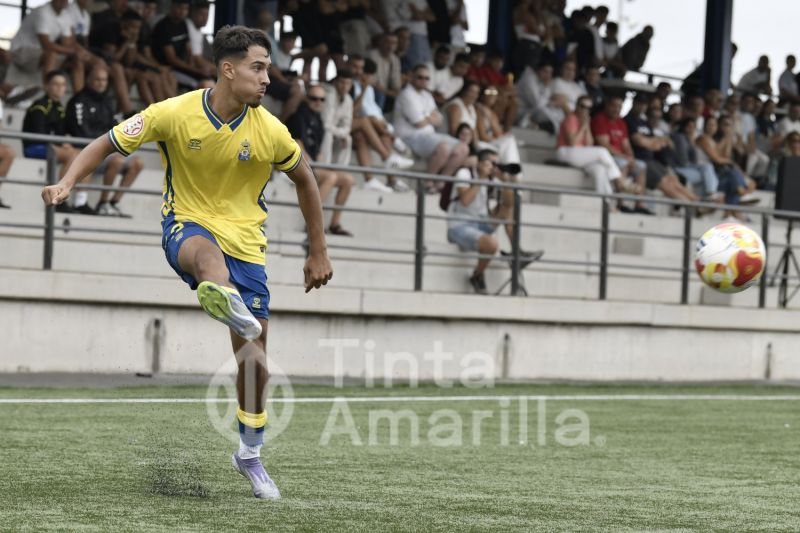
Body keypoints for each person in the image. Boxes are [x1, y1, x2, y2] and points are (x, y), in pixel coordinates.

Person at [40, 25, 334, 500]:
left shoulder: (271, 129)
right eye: (258, 68)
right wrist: (68, 182)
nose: (266, 79)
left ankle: (250, 454)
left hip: (248, 245)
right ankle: (220, 293)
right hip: (188, 227)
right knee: (207, 259)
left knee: (254, 359)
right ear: (228, 68)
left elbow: (306, 179)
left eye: (267, 69)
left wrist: (318, 248)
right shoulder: (173, 112)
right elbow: (105, 143)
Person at [447, 149, 542, 294]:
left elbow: (511, 203)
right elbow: (465, 201)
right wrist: (482, 179)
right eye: (491, 163)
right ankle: (477, 276)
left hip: (480, 222)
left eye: (496, 164)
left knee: (506, 210)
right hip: (459, 225)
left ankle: (517, 252)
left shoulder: (493, 177)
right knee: (492, 244)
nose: (494, 167)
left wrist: (505, 182)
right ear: (479, 164)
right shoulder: (465, 173)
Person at [65, 65, 144, 216]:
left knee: (137, 162)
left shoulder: (107, 102)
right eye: (98, 79)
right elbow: (80, 132)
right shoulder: (79, 101)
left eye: (104, 80)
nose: (101, 83)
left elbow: (115, 129)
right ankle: (102, 203)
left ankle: (113, 203)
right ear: (88, 80)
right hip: (88, 152)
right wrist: (104, 147)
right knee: (117, 160)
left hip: (107, 153)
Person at [287, 85, 355, 236]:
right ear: (306, 98)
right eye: (314, 98)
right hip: (295, 165)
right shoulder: (298, 116)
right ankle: (313, 225)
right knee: (330, 177)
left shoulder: (318, 120)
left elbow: (318, 151)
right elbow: (297, 145)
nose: (318, 102)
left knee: (348, 180)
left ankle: (334, 224)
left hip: (312, 164)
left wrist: (319, 163)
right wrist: (312, 165)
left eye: (322, 99)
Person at [393, 64, 469, 190]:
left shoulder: (427, 95)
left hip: (429, 136)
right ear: (412, 77)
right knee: (443, 148)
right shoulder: (406, 94)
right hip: (410, 136)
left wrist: (426, 118)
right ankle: (428, 182)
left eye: (427, 78)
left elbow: (439, 119)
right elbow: (418, 122)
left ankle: (441, 182)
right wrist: (430, 117)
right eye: (420, 77)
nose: (424, 81)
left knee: (463, 148)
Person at [555, 95, 634, 208]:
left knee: (600, 170)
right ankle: (620, 180)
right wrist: (583, 126)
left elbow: (589, 144)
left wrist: (586, 125)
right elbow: (572, 142)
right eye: (583, 106)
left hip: (579, 154)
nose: (585, 110)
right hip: (565, 152)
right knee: (601, 151)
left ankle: (607, 204)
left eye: (589, 108)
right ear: (577, 106)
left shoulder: (585, 120)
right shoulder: (571, 118)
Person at [23, 70, 83, 213]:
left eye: (62, 85)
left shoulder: (60, 108)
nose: (59, 88)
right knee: (71, 155)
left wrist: (64, 145)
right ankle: (59, 198)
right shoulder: (40, 105)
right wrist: (61, 146)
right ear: (47, 86)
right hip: (33, 147)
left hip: (49, 147)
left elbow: (60, 135)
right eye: (55, 84)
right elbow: (39, 135)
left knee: (77, 152)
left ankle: (77, 201)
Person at [351, 57, 415, 192]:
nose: (360, 72)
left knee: (365, 136)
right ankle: (389, 153)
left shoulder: (367, 87)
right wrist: (363, 90)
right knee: (367, 122)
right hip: (352, 122)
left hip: (364, 126)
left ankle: (390, 179)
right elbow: (354, 111)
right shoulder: (349, 83)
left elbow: (373, 108)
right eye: (356, 68)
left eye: (362, 69)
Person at [10, 0, 97, 91]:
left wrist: (81, 54)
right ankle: (49, 94)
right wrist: (73, 51)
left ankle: (79, 99)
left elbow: (68, 43)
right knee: (51, 56)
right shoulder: (42, 12)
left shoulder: (65, 15)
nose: (64, 1)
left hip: (40, 53)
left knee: (77, 60)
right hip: (21, 51)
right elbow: (46, 44)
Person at [590, 96, 649, 212]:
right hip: (606, 157)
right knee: (623, 163)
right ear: (607, 105)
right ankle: (621, 203)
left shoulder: (621, 122)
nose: (616, 109)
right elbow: (604, 145)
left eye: (619, 107)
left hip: (621, 156)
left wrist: (631, 158)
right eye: (614, 106)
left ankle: (639, 204)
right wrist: (626, 158)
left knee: (641, 166)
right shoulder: (600, 119)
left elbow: (626, 145)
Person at [152, 0, 214, 89]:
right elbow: (172, 59)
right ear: (172, 6)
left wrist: (193, 65)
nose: (182, 12)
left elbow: (188, 49)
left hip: (183, 68)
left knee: (210, 80)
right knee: (205, 85)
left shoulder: (183, 25)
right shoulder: (163, 27)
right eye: (179, 7)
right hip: (170, 69)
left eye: (185, 8)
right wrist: (195, 70)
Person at [367, 32, 403, 111]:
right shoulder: (372, 55)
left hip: (386, 92)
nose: (390, 46)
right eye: (387, 42)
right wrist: (389, 92)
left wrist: (395, 92)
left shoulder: (395, 59)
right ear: (381, 42)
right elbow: (372, 83)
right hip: (372, 90)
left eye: (394, 43)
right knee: (380, 94)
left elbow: (396, 86)